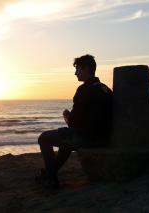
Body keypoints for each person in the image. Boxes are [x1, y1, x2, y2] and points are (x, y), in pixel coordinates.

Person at [37, 54, 113, 188]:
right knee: (66, 140)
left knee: (44, 138)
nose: (75, 73)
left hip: (89, 139)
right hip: (105, 138)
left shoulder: (84, 90)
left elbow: (72, 122)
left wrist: (66, 115)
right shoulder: (106, 89)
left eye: (78, 69)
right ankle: (50, 173)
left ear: (87, 69)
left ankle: (52, 179)